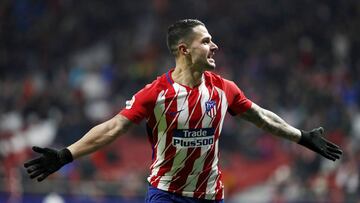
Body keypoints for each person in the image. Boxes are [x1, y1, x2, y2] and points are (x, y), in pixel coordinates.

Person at [24, 19, 342, 203]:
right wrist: (66, 155)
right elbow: (111, 128)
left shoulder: (224, 89)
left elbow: (261, 117)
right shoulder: (156, 94)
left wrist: (301, 137)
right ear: (184, 49)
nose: (214, 46)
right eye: (206, 41)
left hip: (209, 196)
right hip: (166, 195)